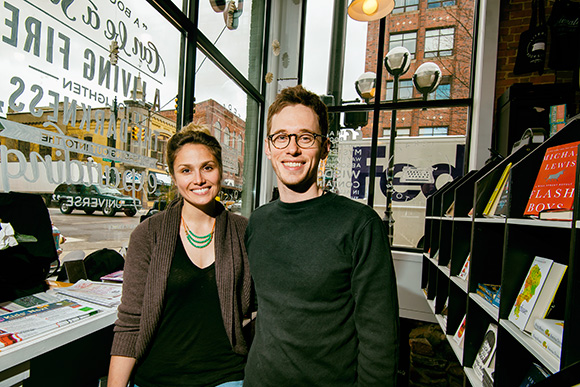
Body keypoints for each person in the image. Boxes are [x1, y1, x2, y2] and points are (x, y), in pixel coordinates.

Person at [244, 85, 400, 386]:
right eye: (282, 137)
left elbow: (380, 340)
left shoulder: (359, 225)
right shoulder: (258, 222)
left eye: (305, 137)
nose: (292, 149)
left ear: (325, 147)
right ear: (268, 147)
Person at [108, 125, 254, 387]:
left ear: (220, 170)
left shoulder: (243, 231)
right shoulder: (148, 235)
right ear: (174, 177)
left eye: (207, 167)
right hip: (158, 377)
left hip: (226, 375)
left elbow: (258, 308)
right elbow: (130, 323)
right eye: (186, 170)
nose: (198, 179)